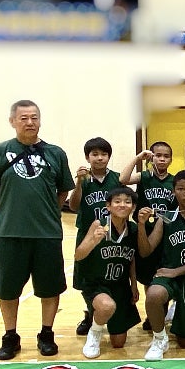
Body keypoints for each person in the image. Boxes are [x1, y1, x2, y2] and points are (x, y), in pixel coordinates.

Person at [0, 99, 74, 360]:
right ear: (12, 121)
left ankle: (46, 334)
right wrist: (3, 215)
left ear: (40, 121)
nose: (30, 122)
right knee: (7, 289)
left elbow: (63, 190)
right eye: (23, 118)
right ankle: (10, 336)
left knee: (50, 288)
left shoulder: (55, 153)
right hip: (9, 235)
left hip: (47, 234)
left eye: (34, 117)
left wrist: (50, 213)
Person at [137, 170, 185, 360]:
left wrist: (176, 272)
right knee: (153, 294)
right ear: (173, 192)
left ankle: (181, 313)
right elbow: (146, 251)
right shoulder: (165, 218)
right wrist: (140, 225)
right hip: (168, 275)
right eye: (180, 189)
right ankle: (159, 338)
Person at [74, 187, 141, 358]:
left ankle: (100, 318)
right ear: (108, 206)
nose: (122, 205)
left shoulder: (133, 229)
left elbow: (132, 258)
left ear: (133, 207)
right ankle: (94, 332)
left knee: (118, 343)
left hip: (120, 285)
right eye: (117, 201)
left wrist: (134, 284)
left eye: (127, 202)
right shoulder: (99, 225)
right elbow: (78, 255)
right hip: (96, 283)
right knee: (107, 306)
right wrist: (93, 242)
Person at [68, 137, 122, 336]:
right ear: (87, 157)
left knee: (109, 272)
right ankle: (90, 313)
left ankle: (109, 308)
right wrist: (78, 183)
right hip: (87, 234)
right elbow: (73, 206)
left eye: (104, 154)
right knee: (85, 276)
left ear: (109, 156)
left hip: (112, 234)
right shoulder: (84, 180)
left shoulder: (117, 179)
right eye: (95, 154)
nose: (99, 158)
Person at [119, 141, 176, 330]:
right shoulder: (144, 176)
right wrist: (138, 158)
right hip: (144, 230)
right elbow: (123, 179)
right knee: (147, 274)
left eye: (166, 156)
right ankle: (152, 314)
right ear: (151, 158)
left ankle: (162, 310)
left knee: (163, 272)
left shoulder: (174, 181)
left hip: (166, 232)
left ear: (171, 159)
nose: (162, 159)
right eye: (158, 155)